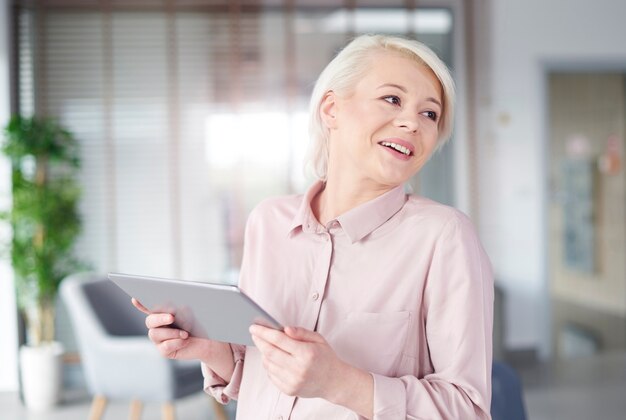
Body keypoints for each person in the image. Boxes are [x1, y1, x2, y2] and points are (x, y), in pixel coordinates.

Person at [133, 34, 494, 419]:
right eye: (393, 99)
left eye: (430, 114)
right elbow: (262, 378)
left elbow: (468, 410)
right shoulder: (268, 222)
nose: (412, 122)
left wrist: (341, 382)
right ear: (331, 109)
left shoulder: (444, 236)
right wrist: (209, 350)